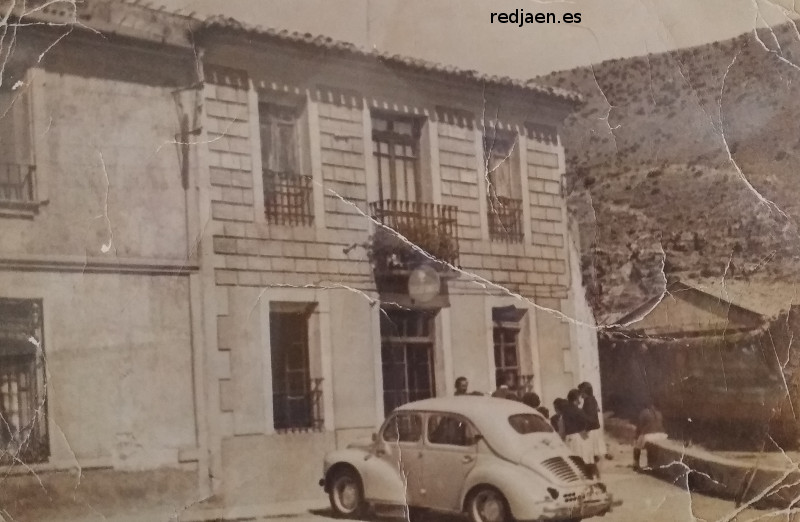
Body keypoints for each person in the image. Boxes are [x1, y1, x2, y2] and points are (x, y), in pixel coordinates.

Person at [562, 389, 598, 478]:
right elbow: (590, 422)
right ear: (576, 399)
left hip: (568, 438)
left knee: (572, 462)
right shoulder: (578, 411)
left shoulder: (565, 410)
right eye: (579, 397)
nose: (581, 399)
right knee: (583, 461)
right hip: (578, 438)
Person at [579, 381, 611, 462]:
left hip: (590, 428)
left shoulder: (588, 401)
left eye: (581, 391)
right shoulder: (592, 399)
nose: (580, 394)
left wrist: (581, 414)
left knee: (590, 451)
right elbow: (597, 409)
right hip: (594, 427)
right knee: (594, 451)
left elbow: (589, 416)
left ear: (584, 391)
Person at [634, 400, 667, 471]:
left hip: (649, 436)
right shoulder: (659, 413)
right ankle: (651, 463)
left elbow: (639, 426)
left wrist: (636, 437)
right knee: (647, 442)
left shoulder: (644, 412)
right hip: (662, 435)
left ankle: (636, 464)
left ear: (651, 405)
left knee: (637, 447)